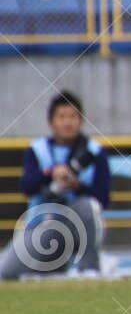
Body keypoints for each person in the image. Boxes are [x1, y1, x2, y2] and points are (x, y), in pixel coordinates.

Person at [3, 91, 111, 280]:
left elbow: (103, 199)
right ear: (51, 121)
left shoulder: (94, 152)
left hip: (82, 225)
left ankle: (91, 268)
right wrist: (50, 174)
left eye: (72, 117)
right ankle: (55, 266)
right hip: (45, 223)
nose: (67, 123)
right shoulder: (37, 150)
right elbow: (27, 187)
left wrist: (77, 186)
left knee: (88, 206)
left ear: (81, 120)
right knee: (6, 271)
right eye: (61, 117)